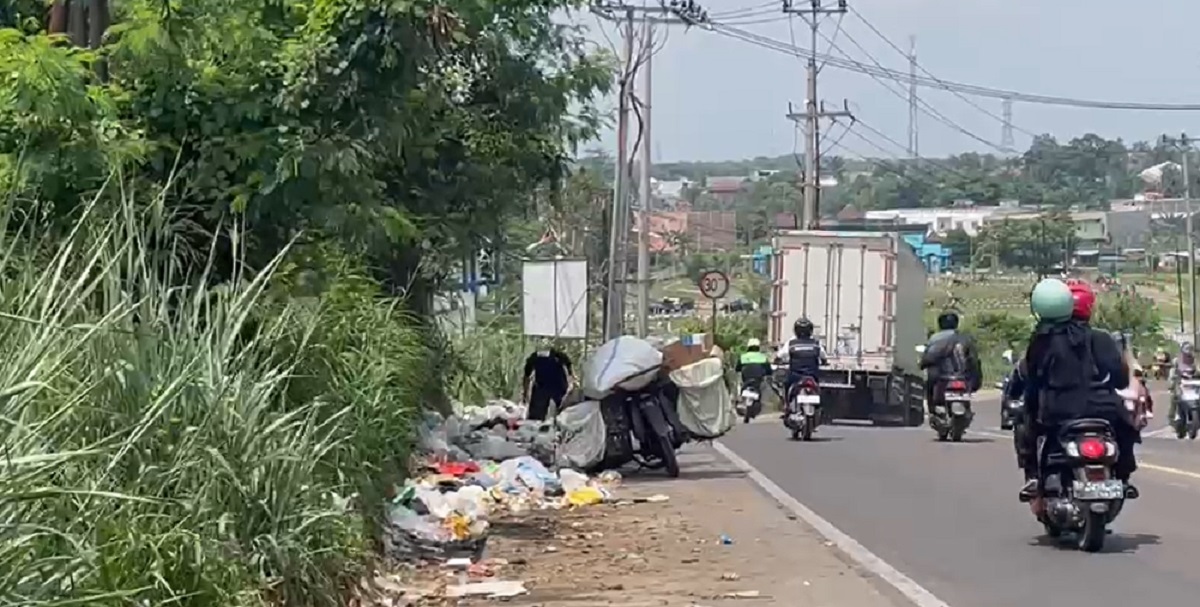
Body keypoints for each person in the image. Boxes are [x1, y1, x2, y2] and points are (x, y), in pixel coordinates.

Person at [1017, 278, 1138, 501]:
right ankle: (1124, 478)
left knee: (1026, 425)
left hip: (1059, 411)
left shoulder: (1043, 339)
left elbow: (1032, 379)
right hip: (1104, 408)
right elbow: (1120, 380)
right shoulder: (1101, 338)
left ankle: (1033, 477)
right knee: (1126, 429)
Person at [918, 311, 982, 418]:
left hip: (942, 375)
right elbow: (974, 359)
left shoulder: (936, 338)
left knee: (929, 385)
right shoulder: (965, 338)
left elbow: (929, 356)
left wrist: (922, 364)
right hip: (963, 376)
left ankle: (933, 410)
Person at [774, 317, 827, 402]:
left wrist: (777, 360)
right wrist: (824, 362)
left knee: (786, 386)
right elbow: (823, 356)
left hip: (796, 376)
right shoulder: (816, 343)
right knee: (818, 388)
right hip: (812, 375)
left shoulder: (791, 343)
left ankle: (787, 406)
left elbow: (780, 355)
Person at [522, 344, 573, 421]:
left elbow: (527, 377)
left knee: (536, 418)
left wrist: (525, 394)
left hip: (548, 388)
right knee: (563, 415)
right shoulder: (559, 356)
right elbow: (570, 372)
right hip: (555, 387)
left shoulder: (535, 357)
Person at [1169, 342, 1197, 424]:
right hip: (1180, 382)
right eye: (1186, 348)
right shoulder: (1177, 360)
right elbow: (1173, 370)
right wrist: (1173, 377)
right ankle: (1173, 416)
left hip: (1193, 383)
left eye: (1190, 348)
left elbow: (1198, 368)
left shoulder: (1195, 359)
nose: (1188, 350)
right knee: (1175, 397)